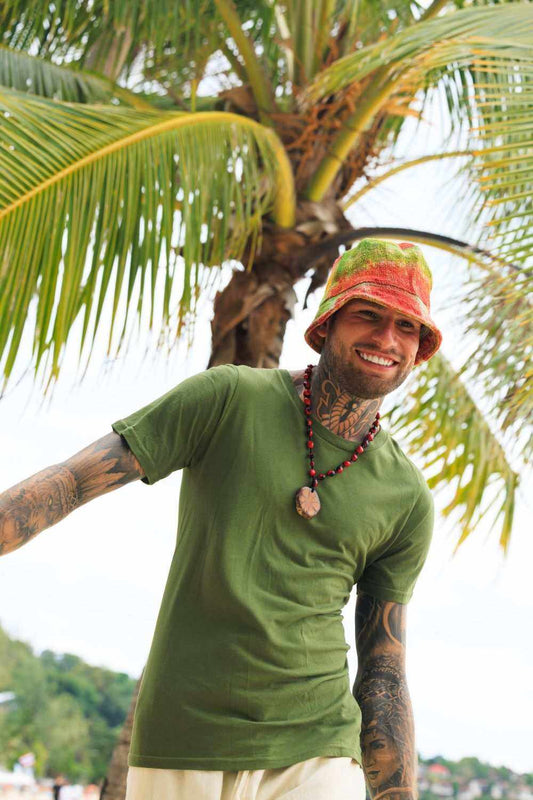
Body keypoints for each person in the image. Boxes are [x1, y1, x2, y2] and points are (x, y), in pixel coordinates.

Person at [0, 239, 442, 800]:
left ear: (420, 347)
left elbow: (384, 669)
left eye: (407, 327)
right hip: (183, 740)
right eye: (369, 315)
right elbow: (69, 482)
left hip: (318, 751)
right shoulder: (228, 399)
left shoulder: (406, 497)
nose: (386, 339)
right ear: (328, 322)